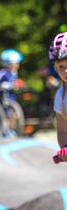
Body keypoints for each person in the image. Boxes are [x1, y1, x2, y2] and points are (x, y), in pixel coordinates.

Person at [49, 32, 67, 162]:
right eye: (61, 66)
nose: (65, 70)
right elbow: (62, 131)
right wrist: (65, 148)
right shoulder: (61, 96)